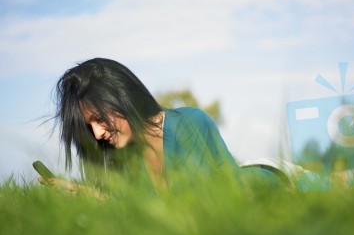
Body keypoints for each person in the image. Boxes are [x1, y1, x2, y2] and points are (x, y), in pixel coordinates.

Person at [40, 58, 277, 194]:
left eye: (100, 118)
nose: (97, 133)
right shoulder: (124, 155)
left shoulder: (189, 124)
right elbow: (135, 211)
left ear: (123, 97)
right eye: (89, 125)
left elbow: (198, 206)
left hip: (269, 181)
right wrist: (79, 191)